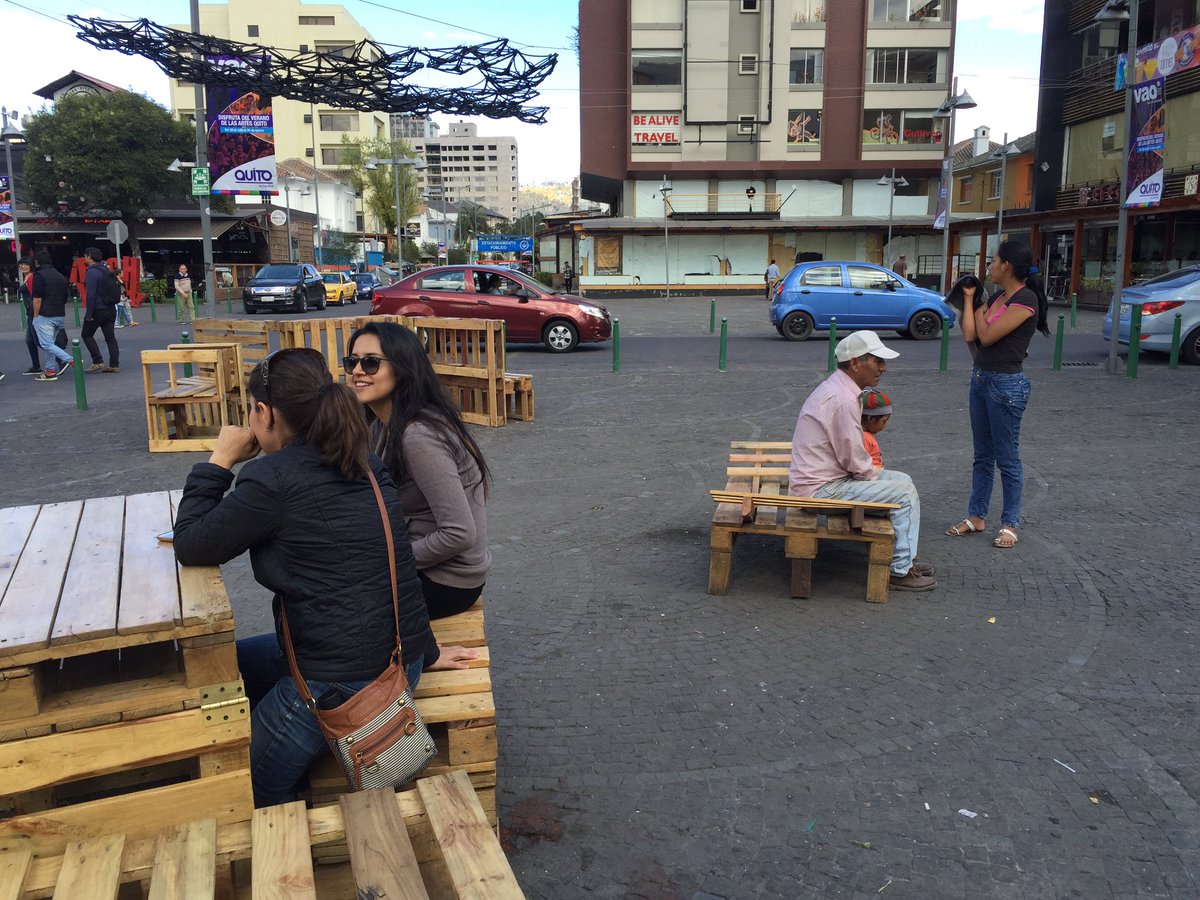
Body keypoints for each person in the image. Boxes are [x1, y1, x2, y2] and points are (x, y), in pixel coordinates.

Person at [173, 347, 478, 807]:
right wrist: (425, 651)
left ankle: (290, 840)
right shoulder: (364, 462)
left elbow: (192, 544)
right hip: (397, 655)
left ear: (264, 413)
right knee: (226, 665)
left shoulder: (270, 479)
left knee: (247, 783)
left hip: (336, 681)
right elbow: (397, 564)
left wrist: (218, 461)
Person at [346, 322, 492, 620]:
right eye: (352, 361)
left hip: (448, 581)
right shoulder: (381, 425)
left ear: (402, 368)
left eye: (371, 362)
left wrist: (386, 561)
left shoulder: (418, 435)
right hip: (424, 566)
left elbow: (460, 533)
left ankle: (416, 663)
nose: (358, 371)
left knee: (337, 612)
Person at [788, 331, 935, 592]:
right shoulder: (843, 399)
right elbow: (853, 458)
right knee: (904, 492)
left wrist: (873, 475)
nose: (883, 368)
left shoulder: (840, 388)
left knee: (903, 481)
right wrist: (873, 476)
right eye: (877, 361)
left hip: (822, 480)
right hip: (821, 489)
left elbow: (852, 456)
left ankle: (904, 556)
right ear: (855, 363)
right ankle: (901, 570)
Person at [944, 242, 1049, 549]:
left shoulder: (1025, 299)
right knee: (982, 456)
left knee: (1008, 458)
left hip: (1006, 385)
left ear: (1007, 267)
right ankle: (976, 516)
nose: (988, 266)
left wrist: (977, 308)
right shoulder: (1001, 297)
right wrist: (969, 299)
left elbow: (987, 335)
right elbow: (969, 334)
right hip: (981, 379)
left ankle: (1010, 523)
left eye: (993, 261)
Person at [31, 255, 76, 382]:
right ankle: (50, 370)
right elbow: (64, 297)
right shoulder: (59, 275)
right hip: (59, 314)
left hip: (45, 315)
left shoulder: (39, 275)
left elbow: (37, 298)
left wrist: (35, 316)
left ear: (36, 262)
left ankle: (71, 359)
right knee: (50, 344)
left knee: (46, 344)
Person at [81, 248, 120, 374]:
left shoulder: (91, 272)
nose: (85, 258)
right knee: (110, 337)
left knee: (86, 334)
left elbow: (91, 294)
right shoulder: (106, 269)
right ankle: (114, 364)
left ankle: (97, 361)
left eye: (85, 256)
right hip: (110, 308)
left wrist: (89, 313)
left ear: (90, 257)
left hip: (98, 308)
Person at [861, 388, 891, 468]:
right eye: (884, 421)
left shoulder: (864, 435)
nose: (884, 425)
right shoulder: (864, 438)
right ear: (871, 418)